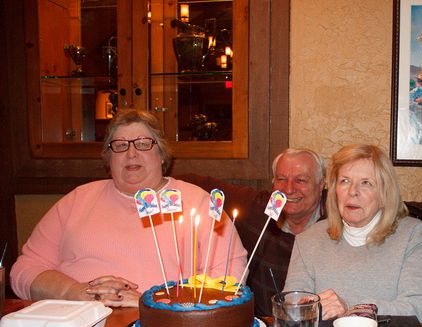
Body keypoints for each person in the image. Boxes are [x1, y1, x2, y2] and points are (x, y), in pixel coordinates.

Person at [11, 110, 247, 308]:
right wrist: (74, 292)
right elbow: (24, 269)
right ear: (108, 157)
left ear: (162, 154)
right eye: (120, 145)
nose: (131, 153)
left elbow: (231, 278)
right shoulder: (76, 200)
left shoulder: (199, 204)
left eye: (144, 144)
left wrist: (152, 302)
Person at [283, 144, 422, 322]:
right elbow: (291, 307)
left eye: (366, 183)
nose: (352, 192)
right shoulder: (308, 240)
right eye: (345, 181)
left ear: (384, 193)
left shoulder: (412, 235)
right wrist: (309, 308)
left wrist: (353, 311)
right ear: (335, 190)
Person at [177, 148, 326, 316]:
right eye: (281, 179)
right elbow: (199, 182)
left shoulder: (334, 225)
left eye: (301, 180)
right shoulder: (256, 208)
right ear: (273, 182)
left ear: (321, 184)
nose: (289, 189)